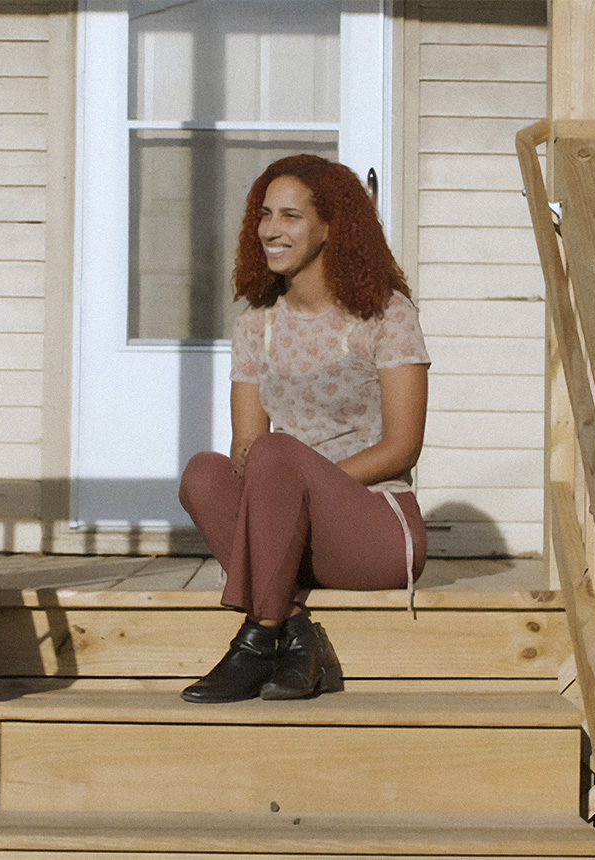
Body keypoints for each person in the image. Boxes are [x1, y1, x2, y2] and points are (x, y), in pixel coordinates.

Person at [178, 154, 430, 704]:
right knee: (204, 472)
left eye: (290, 215)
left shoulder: (388, 315)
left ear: (332, 226)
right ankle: (297, 635)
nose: (271, 229)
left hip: (376, 527)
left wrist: (307, 486)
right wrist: (286, 487)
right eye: (265, 214)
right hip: (292, 530)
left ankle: (253, 643)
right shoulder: (256, 325)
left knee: (276, 454)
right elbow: (244, 450)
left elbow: (402, 446)